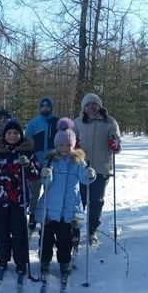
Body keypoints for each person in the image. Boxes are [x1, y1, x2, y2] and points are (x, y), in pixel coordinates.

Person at [36, 118, 96, 276]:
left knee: (65, 239)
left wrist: (90, 174)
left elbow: (84, 180)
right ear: (56, 145)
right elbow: (45, 182)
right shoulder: (51, 160)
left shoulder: (77, 162)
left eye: (68, 145)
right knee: (46, 237)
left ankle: (64, 261)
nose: (64, 148)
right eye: (61, 145)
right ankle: (44, 260)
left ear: (73, 145)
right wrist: (46, 175)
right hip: (51, 207)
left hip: (69, 208)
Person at [0, 119, 40, 275]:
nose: (12, 136)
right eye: (9, 133)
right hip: (0, 199)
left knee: (19, 232)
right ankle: (3, 258)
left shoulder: (27, 152)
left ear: (20, 135)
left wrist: (28, 165)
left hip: (19, 200)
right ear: (4, 135)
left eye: (16, 133)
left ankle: (21, 260)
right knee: (1, 231)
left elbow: (35, 176)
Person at [73, 93, 122, 245]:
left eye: (94, 104)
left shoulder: (110, 122)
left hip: (101, 168)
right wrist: (75, 149)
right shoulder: (78, 122)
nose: (91, 107)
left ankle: (92, 229)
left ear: (99, 106)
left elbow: (117, 147)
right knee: (78, 202)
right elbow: (71, 143)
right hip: (81, 168)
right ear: (83, 107)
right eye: (87, 105)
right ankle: (75, 230)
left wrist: (115, 143)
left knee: (96, 201)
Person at [24, 97, 58, 232]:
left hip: (53, 163)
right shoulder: (33, 123)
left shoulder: (57, 123)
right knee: (34, 191)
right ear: (39, 108)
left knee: (50, 191)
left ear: (51, 107)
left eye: (47, 105)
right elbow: (27, 143)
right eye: (42, 106)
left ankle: (48, 215)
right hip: (36, 163)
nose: (45, 108)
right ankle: (32, 214)